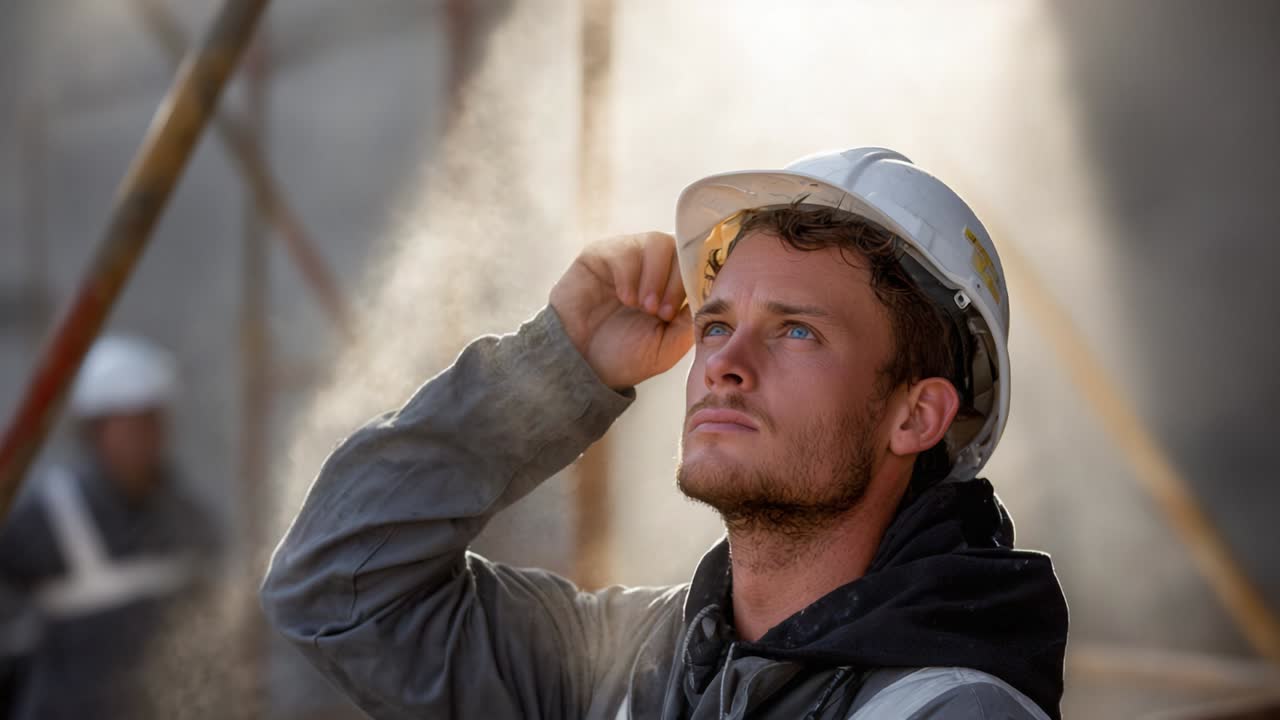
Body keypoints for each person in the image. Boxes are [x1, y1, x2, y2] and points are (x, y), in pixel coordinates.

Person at [262, 148, 1069, 719]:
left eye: (796, 332)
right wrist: (558, 365)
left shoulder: (950, 710)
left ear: (916, 415)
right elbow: (338, 590)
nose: (726, 363)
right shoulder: (628, 665)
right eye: (716, 324)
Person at [0, 336, 219, 719]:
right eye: (133, 423)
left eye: (154, 420)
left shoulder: (189, 519)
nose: (148, 436)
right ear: (96, 429)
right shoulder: (43, 518)